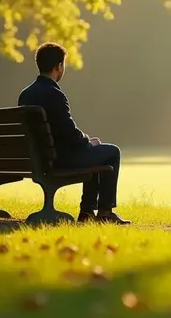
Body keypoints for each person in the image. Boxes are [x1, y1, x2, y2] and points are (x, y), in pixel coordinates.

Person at [17, 42, 129, 225]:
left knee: (92, 153)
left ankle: (88, 212)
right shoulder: (55, 94)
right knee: (111, 152)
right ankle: (103, 212)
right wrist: (88, 142)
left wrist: (86, 145)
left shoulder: (25, 95)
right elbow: (69, 133)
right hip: (59, 159)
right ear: (59, 67)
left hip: (38, 158)